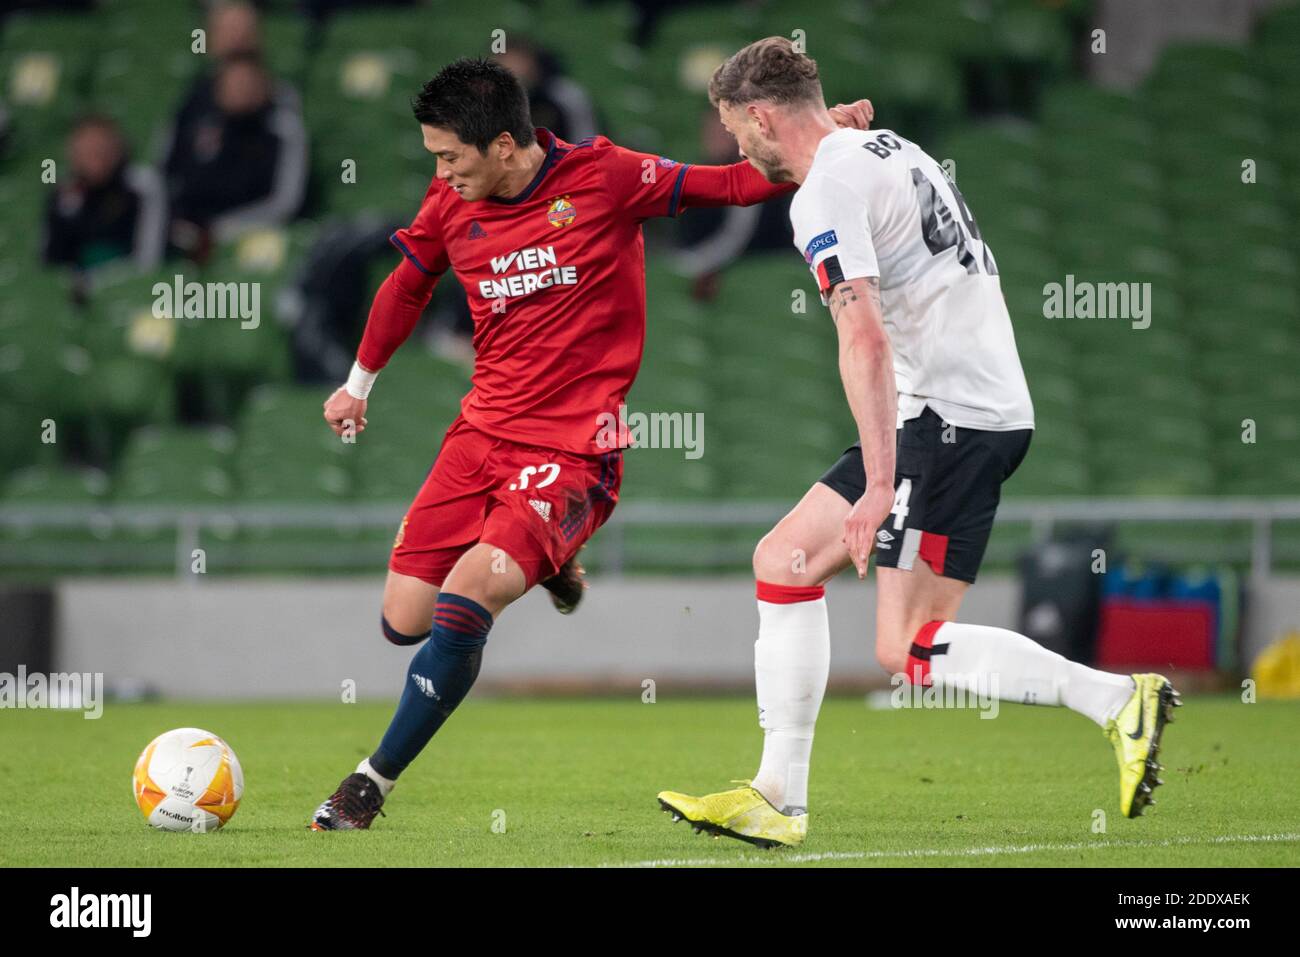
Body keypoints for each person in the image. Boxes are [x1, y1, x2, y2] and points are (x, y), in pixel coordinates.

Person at [307, 57, 873, 830]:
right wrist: (358, 383)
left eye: (450, 157)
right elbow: (407, 286)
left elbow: (737, 184)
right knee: (403, 620)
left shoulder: (606, 179)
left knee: (467, 598)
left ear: (504, 144)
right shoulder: (450, 201)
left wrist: (825, 142)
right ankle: (550, 561)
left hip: (574, 452)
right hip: (478, 437)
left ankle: (369, 783)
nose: (440, 173)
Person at [657, 37, 1181, 848]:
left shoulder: (822, 192)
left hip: (953, 420)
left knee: (908, 650)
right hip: (950, 412)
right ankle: (776, 793)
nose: (737, 148)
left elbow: (862, 339)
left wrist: (877, 484)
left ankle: (1116, 700)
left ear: (760, 115)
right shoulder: (881, 145)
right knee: (785, 560)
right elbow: (837, 151)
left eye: (735, 130)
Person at [43, 115, 165, 275]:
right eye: (86, 149)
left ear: (117, 148)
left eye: (100, 147)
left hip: (129, 287)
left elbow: (149, 260)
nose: (94, 155)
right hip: (78, 289)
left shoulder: (142, 185)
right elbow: (50, 264)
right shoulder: (63, 196)